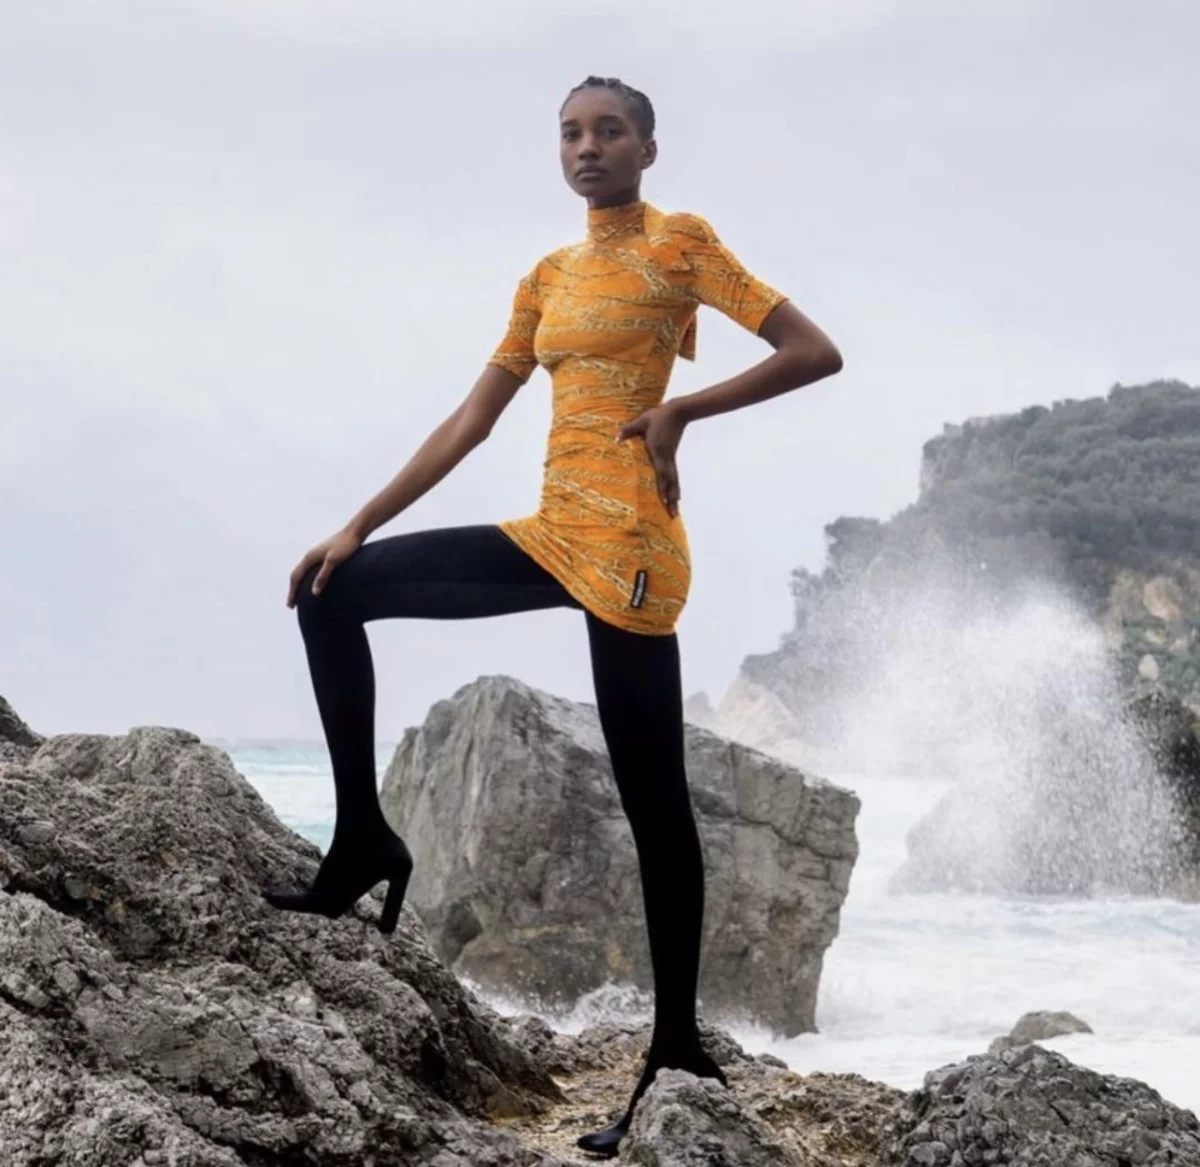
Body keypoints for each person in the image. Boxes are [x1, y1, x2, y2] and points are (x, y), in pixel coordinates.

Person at [262, 74, 843, 1158]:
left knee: (654, 802)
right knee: (334, 592)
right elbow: (472, 419)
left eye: (609, 131)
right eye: (571, 132)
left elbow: (813, 351)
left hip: (630, 550)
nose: (587, 147)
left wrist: (680, 409)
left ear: (647, 149)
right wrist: (357, 523)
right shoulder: (547, 276)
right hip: (550, 533)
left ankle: (674, 1046)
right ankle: (360, 841)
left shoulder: (681, 244)